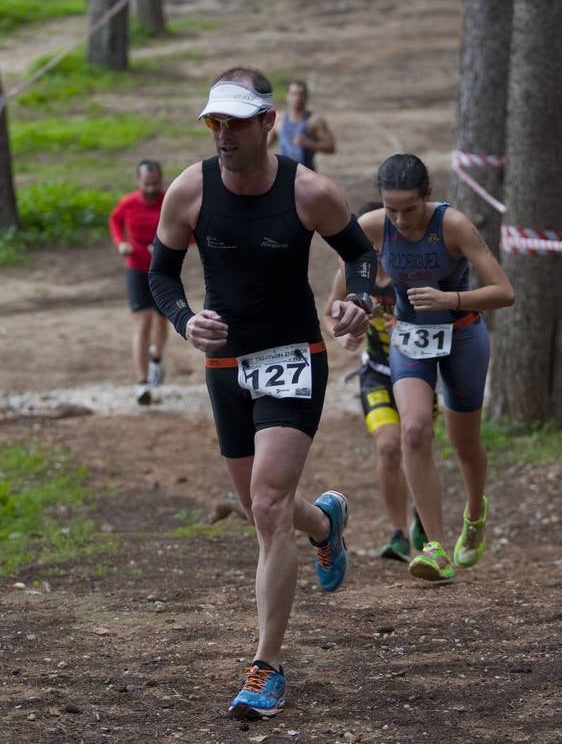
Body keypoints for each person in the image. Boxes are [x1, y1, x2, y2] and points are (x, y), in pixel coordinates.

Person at [148, 67, 377, 720]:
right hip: (225, 364)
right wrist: (184, 318)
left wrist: (358, 301)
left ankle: (265, 665)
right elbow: (160, 272)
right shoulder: (189, 189)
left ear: (268, 123)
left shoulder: (309, 192)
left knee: (268, 503)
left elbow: (359, 257)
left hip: (293, 357)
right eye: (215, 122)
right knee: (261, 509)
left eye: (237, 122)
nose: (223, 134)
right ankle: (325, 523)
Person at [357, 154, 514, 583]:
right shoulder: (373, 227)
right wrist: (351, 308)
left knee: (465, 445)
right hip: (410, 338)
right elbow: (350, 272)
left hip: (462, 334)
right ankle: (436, 546)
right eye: (391, 209)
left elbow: (504, 291)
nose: (401, 220)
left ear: (428, 195)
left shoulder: (453, 225)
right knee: (413, 430)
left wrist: (451, 300)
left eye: (410, 209)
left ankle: (476, 513)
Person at [323, 201, 430, 563]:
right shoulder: (352, 272)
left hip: (418, 372)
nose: (378, 249)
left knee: (417, 444)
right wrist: (342, 336)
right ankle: (399, 532)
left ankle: (424, 518)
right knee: (388, 446)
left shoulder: (415, 267)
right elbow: (330, 311)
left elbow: (446, 313)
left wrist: (412, 325)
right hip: (377, 374)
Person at [109, 160, 168, 406]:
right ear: (138, 181)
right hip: (136, 268)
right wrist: (120, 243)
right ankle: (142, 383)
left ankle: (156, 356)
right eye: (147, 184)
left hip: (163, 270)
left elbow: (186, 227)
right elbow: (115, 221)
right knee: (142, 324)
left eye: (155, 183)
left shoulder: (169, 200)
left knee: (161, 321)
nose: (151, 189)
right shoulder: (128, 202)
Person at [267, 79, 335, 170]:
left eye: (301, 94)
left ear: (306, 97)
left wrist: (308, 143)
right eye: (294, 94)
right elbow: (265, 146)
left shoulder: (314, 120)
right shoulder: (279, 119)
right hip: (284, 174)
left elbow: (331, 147)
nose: (297, 98)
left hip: (307, 175)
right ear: (287, 96)